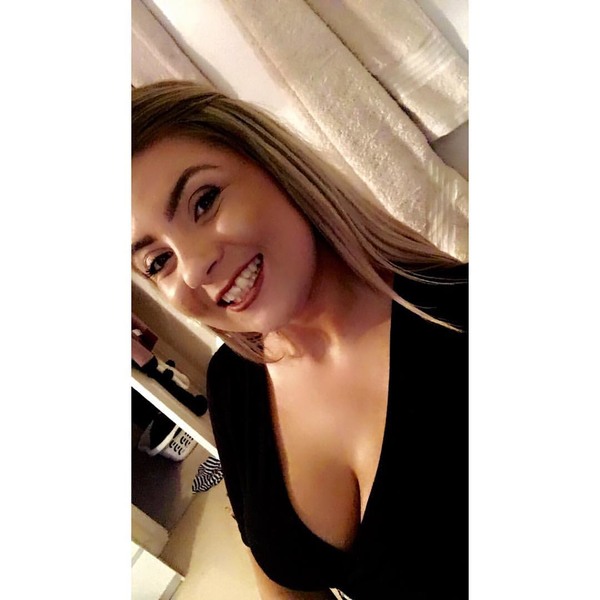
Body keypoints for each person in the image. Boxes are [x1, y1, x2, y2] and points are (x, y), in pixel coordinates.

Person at [132, 80, 468, 599]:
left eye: (205, 201)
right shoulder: (231, 383)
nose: (194, 269)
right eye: (158, 261)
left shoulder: (460, 315)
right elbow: (281, 582)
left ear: (275, 168)